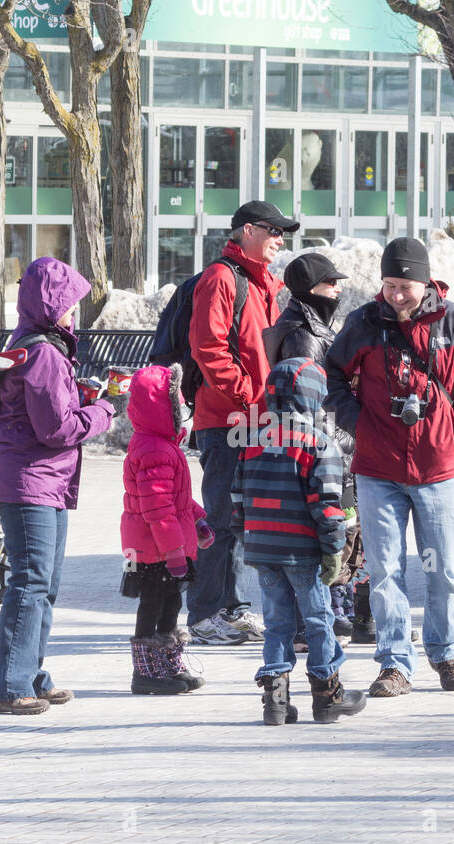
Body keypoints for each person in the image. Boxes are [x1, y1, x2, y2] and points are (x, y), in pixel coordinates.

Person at [325, 237, 454, 697]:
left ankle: (445, 652)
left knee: (442, 567)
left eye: (405, 285)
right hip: (377, 467)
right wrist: (357, 422)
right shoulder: (363, 322)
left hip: (437, 468)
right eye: (389, 285)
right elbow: (334, 374)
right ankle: (395, 662)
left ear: (425, 282)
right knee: (383, 569)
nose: (396, 295)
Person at [0, 257, 116, 715]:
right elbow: (55, 429)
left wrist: (83, 398)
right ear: (49, 303)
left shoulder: (38, 346)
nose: (74, 313)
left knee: (44, 585)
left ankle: (30, 675)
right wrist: (103, 414)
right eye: (69, 303)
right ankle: (8, 686)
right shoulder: (42, 352)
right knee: (30, 583)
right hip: (28, 482)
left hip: (43, 481)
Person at [185, 200, 297, 645]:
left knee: (239, 518)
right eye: (274, 230)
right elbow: (209, 348)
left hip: (252, 418)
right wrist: (250, 396)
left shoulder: (263, 281)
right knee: (218, 516)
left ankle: (230, 607)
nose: (280, 239)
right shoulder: (221, 278)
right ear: (246, 230)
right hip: (227, 419)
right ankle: (204, 612)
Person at [231, 357, 365, 724]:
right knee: (319, 618)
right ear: (314, 396)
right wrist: (334, 548)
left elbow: (238, 498)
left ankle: (275, 701)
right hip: (302, 550)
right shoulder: (319, 444)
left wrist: (247, 538)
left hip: (263, 549)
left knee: (277, 623)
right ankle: (327, 694)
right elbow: (326, 506)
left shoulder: (252, 439)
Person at [265, 252, 360, 647]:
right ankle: (317, 619)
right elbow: (305, 400)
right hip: (321, 448)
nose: (337, 289)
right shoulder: (302, 333)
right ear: (309, 288)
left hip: (327, 443)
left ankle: (340, 609)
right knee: (328, 527)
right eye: (329, 282)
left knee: (345, 528)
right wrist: (340, 443)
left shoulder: (312, 323)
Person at [120, 363, 213, 695]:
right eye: (178, 400)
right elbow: (157, 508)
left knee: (171, 602)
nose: (184, 406)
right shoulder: (153, 449)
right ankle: (146, 672)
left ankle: (167, 664)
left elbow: (177, 498)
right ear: (162, 406)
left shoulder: (164, 445)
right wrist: (175, 550)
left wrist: (198, 519)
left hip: (166, 544)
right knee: (154, 601)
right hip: (153, 547)